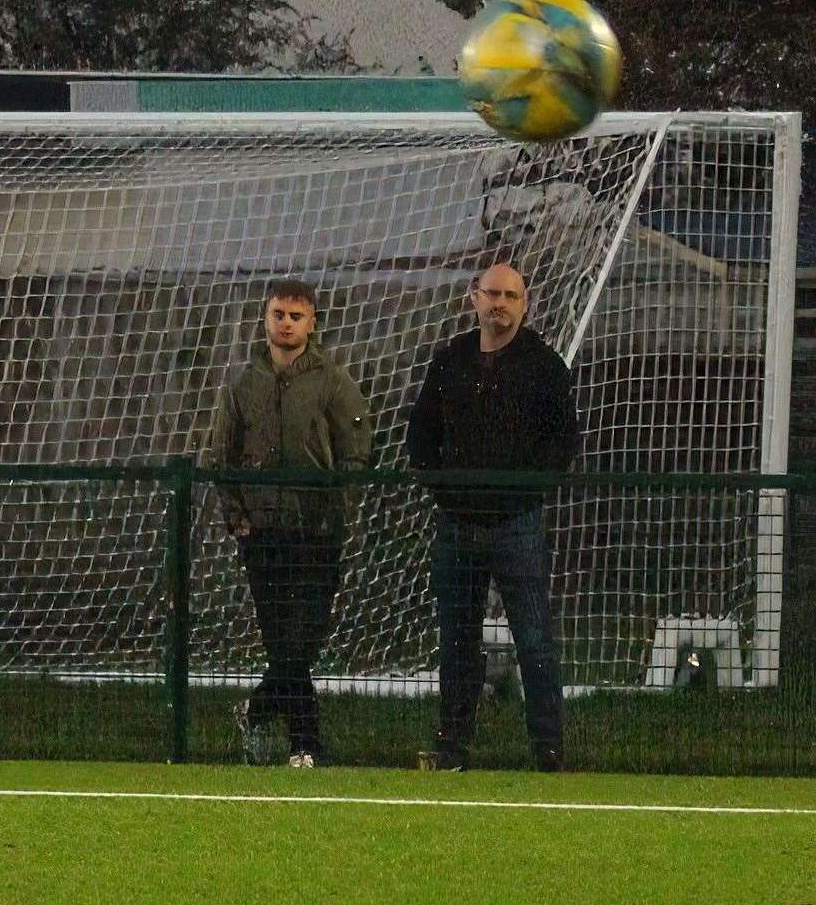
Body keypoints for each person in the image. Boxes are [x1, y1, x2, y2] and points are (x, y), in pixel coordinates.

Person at [408, 262, 579, 772]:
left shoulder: (544, 366)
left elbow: (563, 443)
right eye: (492, 294)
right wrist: (443, 488)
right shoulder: (450, 361)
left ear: (524, 305)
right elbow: (421, 434)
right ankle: (452, 746)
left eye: (510, 295)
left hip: (516, 524)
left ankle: (547, 750)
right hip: (456, 522)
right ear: (474, 298)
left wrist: (524, 492)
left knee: (534, 638)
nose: (499, 303)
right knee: (456, 640)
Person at [209, 279, 370, 768]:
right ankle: (305, 742)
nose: (286, 323)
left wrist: (338, 510)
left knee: (307, 635)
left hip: (318, 530)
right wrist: (238, 516)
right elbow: (221, 456)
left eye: (296, 316)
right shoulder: (241, 383)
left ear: (312, 322)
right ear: (265, 318)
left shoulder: (333, 381)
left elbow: (355, 453)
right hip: (263, 531)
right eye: (278, 313)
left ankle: (257, 710)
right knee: (281, 635)